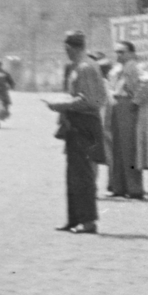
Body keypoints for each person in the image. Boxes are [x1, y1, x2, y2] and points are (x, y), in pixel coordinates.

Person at [47, 31, 108, 233]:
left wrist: (60, 105)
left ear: (72, 48)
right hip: (76, 124)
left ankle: (88, 221)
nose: (67, 53)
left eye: (67, 49)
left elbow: (89, 100)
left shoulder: (85, 67)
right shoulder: (80, 67)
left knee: (82, 174)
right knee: (73, 173)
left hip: (84, 124)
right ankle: (74, 219)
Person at [104, 41, 148, 200]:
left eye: (122, 52)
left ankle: (134, 188)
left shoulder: (135, 67)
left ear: (132, 53)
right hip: (116, 106)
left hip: (127, 107)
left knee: (129, 148)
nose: (119, 55)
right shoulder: (117, 69)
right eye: (117, 52)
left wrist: (136, 101)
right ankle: (118, 186)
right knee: (116, 148)